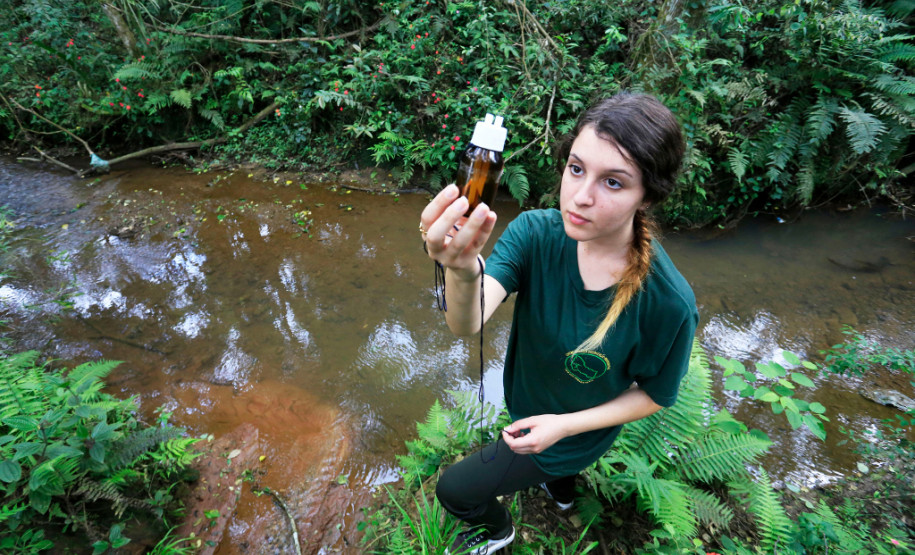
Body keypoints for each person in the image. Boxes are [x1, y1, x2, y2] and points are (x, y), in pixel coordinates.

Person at [418, 92, 699, 554]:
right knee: (557, 477)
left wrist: (565, 427)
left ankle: (498, 531)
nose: (580, 197)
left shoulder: (668, 303)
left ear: (647, 195)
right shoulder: (535, 234)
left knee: (456, 490)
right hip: (529, 408)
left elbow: (655, 394)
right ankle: (562, 494)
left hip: (576, 437)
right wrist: (463, 270)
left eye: (613, 183)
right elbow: (467, 323)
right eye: (576, 168)